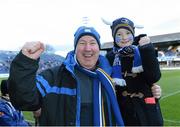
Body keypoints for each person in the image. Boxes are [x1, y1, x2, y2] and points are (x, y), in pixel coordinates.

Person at [8, 26, 124, 126]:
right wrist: (25, 62)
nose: (87, 48)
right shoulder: (53, 77)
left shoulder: (113, 77)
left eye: (92, 43)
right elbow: (23, 100)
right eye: (82, 43)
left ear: (99, 48)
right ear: (75, 48)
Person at [106, 17, 163, 126]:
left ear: (133, 34)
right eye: (119, 34)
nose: (124, 37)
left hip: (149, 114)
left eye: (128, 33)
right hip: (125, 115)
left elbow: (154, 77)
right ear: (113, 36)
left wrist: (147, 49)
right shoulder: (110, 57)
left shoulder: (143, 50)